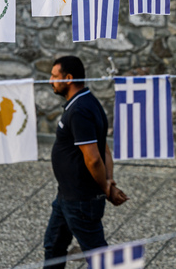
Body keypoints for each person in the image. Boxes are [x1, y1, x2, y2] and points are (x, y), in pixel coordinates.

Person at [44, 56, 128, 268]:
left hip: (80, 200)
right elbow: (104, 148)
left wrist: (106, 188)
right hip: (66, 195)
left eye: (55, 76)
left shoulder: (80, 110)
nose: (50, 80)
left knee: (98, 256)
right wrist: (109, 181)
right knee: (53, 247)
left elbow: (93, 158)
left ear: (69, 78)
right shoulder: (87, 101)